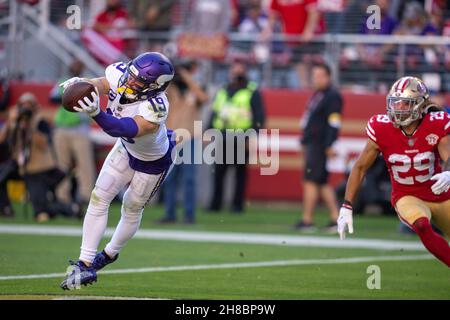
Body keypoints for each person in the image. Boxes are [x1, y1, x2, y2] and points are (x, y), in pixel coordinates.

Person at [60, 52, 176, 289]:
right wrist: (82, 84)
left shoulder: (156, 105)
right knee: (99, 196)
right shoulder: (122, 73)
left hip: (152, 160)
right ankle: (84, 263)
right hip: (126, 148)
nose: (130, 81)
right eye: (131, 74)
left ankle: (110, 254)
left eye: (138, 80)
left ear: (155, 86)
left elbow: (124, 128)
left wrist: (96, 113)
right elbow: (103, 83)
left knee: (131, 208)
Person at [338, 76, 450, 268]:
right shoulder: (381, 127)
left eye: (405, 104)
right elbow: (360, 167)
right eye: (394, 102)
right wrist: (347, 205)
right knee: (422, 225)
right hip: (407, 196)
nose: (398, 108)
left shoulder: (436, 123)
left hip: (441, 193)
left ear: (419, 105)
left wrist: (449, 172)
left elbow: (448, 155)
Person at [0, 93, 78, 222]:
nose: (25, 110)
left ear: (34, 107)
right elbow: (2, 140)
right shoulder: (15, 122)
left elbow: (44, 144)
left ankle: (71, 209)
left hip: (39, 170)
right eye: (22, 107)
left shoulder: (39, 121)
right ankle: (5, 208)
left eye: (28, 106)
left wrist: (30, 128)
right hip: (22, 167)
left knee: (41, 213)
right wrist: (10, 122)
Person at [208, 59, 265, 213]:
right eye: (234, 69)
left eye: (239, 69)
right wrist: (209, 131)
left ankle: (237, 205)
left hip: (241, 136)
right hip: (222, 135)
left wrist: (252, 137)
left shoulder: (252, 90)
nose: (236, 72)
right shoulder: (223, 89)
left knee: (240, 173)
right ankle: (215, 204)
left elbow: (259, 116)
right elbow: (215, 112)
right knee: (218, 172)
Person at [159, 61, 208, 224]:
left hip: (190, 139)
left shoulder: (195, 90)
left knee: (189, 180)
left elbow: (204, 98)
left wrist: (188, 79)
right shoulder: (170, 89)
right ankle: (170, 213)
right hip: (172, 139)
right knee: (170, 179)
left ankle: (189, 215)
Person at [296, 63, 342, 232]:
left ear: (328, 77)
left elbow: (334, 121)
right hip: (313, 143)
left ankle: (307, 220)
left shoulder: (332, 96)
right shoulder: (318, 95)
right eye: (314, 75)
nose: (316, 79)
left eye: (320, 75)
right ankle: (336, 218)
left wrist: (330, 144)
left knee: (310, 181)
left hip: (319, 144)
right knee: (321, 182)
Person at [49, 59, 96, 209]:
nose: (74, 68)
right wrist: (68, 93)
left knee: (85, 164)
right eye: (73, 65)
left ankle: (86, 196)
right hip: (62, 128)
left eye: (78, 66)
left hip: (80, 129)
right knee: (62, 164)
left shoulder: (87, 84)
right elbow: (53, 98)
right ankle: (62, 196)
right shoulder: (63, 82)